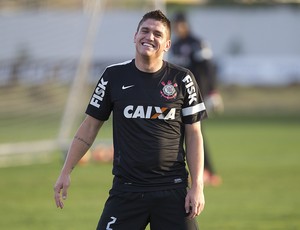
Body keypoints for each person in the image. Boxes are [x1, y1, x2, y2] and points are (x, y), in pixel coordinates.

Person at [54, 10, 207, 230]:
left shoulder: (182, 79)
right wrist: (66, 171)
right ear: (135, 36)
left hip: (172, 190)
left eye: (157, 34)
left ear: (167, 44)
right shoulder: (113, 76)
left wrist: (197, 186)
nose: (150, 37)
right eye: (145, 31)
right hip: (127, 190)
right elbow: (89, 127)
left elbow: (194, 134)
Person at [169, 12, 223, 186]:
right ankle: (205, 171)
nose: (177, 29)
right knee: (188, 132)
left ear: (185, 24)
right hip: (180, 96)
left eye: (179, 25)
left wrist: (212, 91)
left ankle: (208, 171)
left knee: (193, 131)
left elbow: (207, 68)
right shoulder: (175, 46)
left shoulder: (197, 43)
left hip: (197, 94)